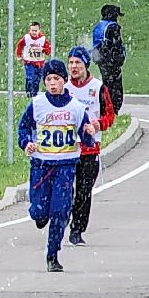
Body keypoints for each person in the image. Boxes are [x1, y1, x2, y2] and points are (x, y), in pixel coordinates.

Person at [17, 59, 97, 272]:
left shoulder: (76, 108)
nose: (53, 84)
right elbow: (23, 128)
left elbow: (85, 136)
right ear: (44, 82)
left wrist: (88, 134)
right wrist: (27, 144)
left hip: (66, 166)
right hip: (41, 166)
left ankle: (53, 255)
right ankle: (39, 215)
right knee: (40, 212)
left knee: (60, 211)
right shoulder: (37, 104)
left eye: (57, 79)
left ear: (64, 81)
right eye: (49, 79)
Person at [64, 46, 116, 246]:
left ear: (86, 65)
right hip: (66, 149)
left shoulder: (98, 87)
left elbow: (109, 115)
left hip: (90, 148)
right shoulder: (63, 87)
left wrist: (98, 124)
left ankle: (77, 229)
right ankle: (63, 218)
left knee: (84, 191)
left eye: (77, 63)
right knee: (66, 190)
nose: (74, 67)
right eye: (71, 63)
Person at [92, 4, 127, 112]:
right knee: (115, 87)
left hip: (101, 60)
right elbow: (115, 46)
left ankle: (104, 107)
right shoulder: (113, 27)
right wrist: (119, 59)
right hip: (111, 62)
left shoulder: (98, 26)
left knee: (106, 84)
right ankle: (113, 109)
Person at [16, 21, 51, 97]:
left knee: (37, 79)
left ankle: (34, 94)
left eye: (36, 31)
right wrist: (19, 54)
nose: (34, 32)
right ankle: (28, 92)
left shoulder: (43, 39)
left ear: (39, 30)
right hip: (29, 62)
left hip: (39, 63)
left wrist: (45, 50)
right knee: (30, 77)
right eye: (32, 30)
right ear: (30, 30)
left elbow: (48, 48)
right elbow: (20, 45)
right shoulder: (27, 38)